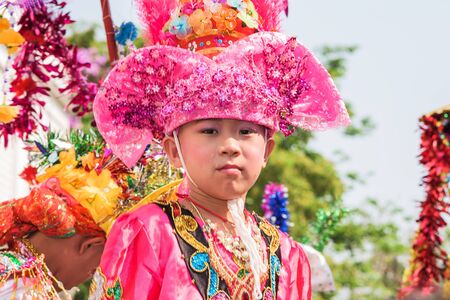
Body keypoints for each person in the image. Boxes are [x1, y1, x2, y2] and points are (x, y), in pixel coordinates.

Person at [90, 0, 350, 299]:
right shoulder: (148, 232)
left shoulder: (290, 257)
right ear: (174, 150)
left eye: (246, 131)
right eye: (209, 131)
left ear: (267, 150)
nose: (229, 146)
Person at [0, 130, 161, 299]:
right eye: (94, 271)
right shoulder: (25, 289)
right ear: (90, 245)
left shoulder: (14, 275)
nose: (89, 279)